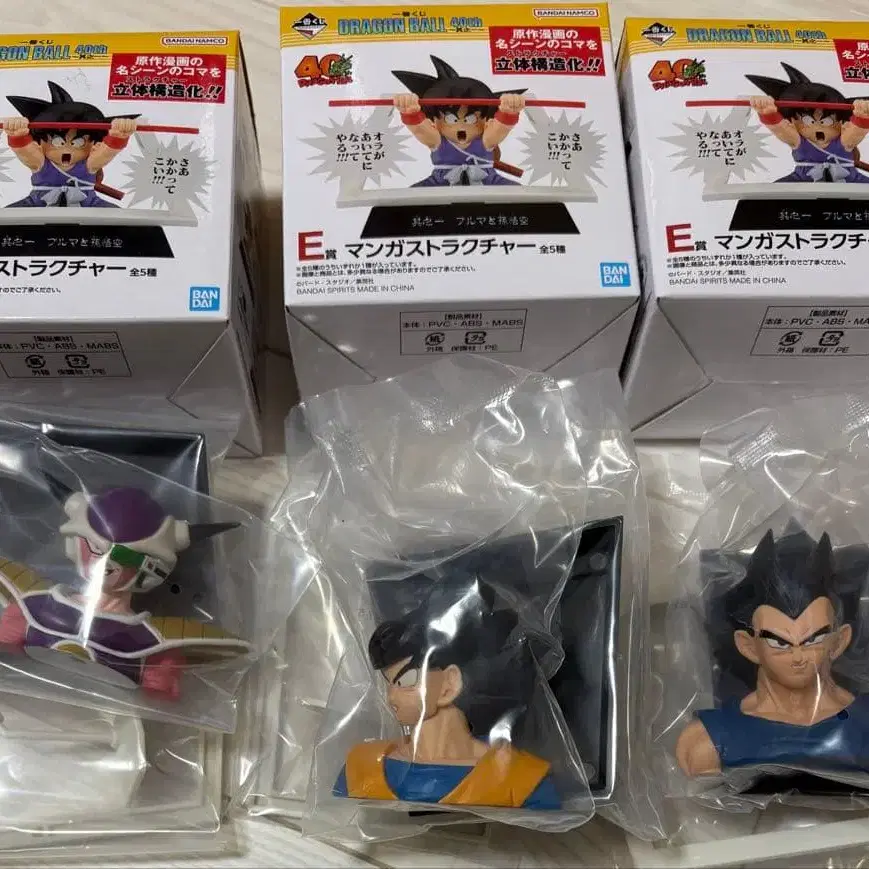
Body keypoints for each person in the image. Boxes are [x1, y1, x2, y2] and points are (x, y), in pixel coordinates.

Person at [0, 478, 249, 698]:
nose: (105, 563)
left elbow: (158, 698)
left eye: (125, 556)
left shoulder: (151, 642)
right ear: (77, 541)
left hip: (110, 723)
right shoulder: (33, 608)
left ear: (151, 567)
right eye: (96, 547)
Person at [333, 577, 561, 808]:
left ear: (450, 682)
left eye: (405, 681)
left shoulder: (522, 780)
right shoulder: (360, 768)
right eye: (388, 682)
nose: (390, 696)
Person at [676, 526, 869, 777]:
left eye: (813, 639)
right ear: (749, 646)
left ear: (839, 641)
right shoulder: (708, 742)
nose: (798, 657)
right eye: (779, 642)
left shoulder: (864, 724)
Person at [391, 55, 526, 187]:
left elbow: (500, 129)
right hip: (441, 183)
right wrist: (410, 112)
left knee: (519, 195)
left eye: (470, 119)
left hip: (487, 181)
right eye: (451, 119)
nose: (461, 126)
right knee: (411, 197)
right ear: (434, 123)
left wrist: (508, 111)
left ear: (487, 122)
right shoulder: (438, 141)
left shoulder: (486, 141)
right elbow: (420, 130)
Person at [2, 81, 138, 207]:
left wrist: (118, 136)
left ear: (94, 145)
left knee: (121, 220)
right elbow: (26, 152)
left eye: (78, 143)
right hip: (39, 204)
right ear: (39, 144)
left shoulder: (89, 165)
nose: (67, 149)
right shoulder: (41, 163)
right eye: (57, 142)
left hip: (88, 204)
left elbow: (106, 153)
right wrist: (18, 134)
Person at [746, 62, 869, 183]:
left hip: (849, 180)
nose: (818, 126)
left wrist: (862, 115)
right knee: (772, 192)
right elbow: (780, 129)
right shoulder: (799, 141)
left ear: (841, 123)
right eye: (808, 121)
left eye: (827, 121)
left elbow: (856, 132)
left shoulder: (843, 142)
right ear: (793, 122)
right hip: (801, 180)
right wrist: (768, 112)